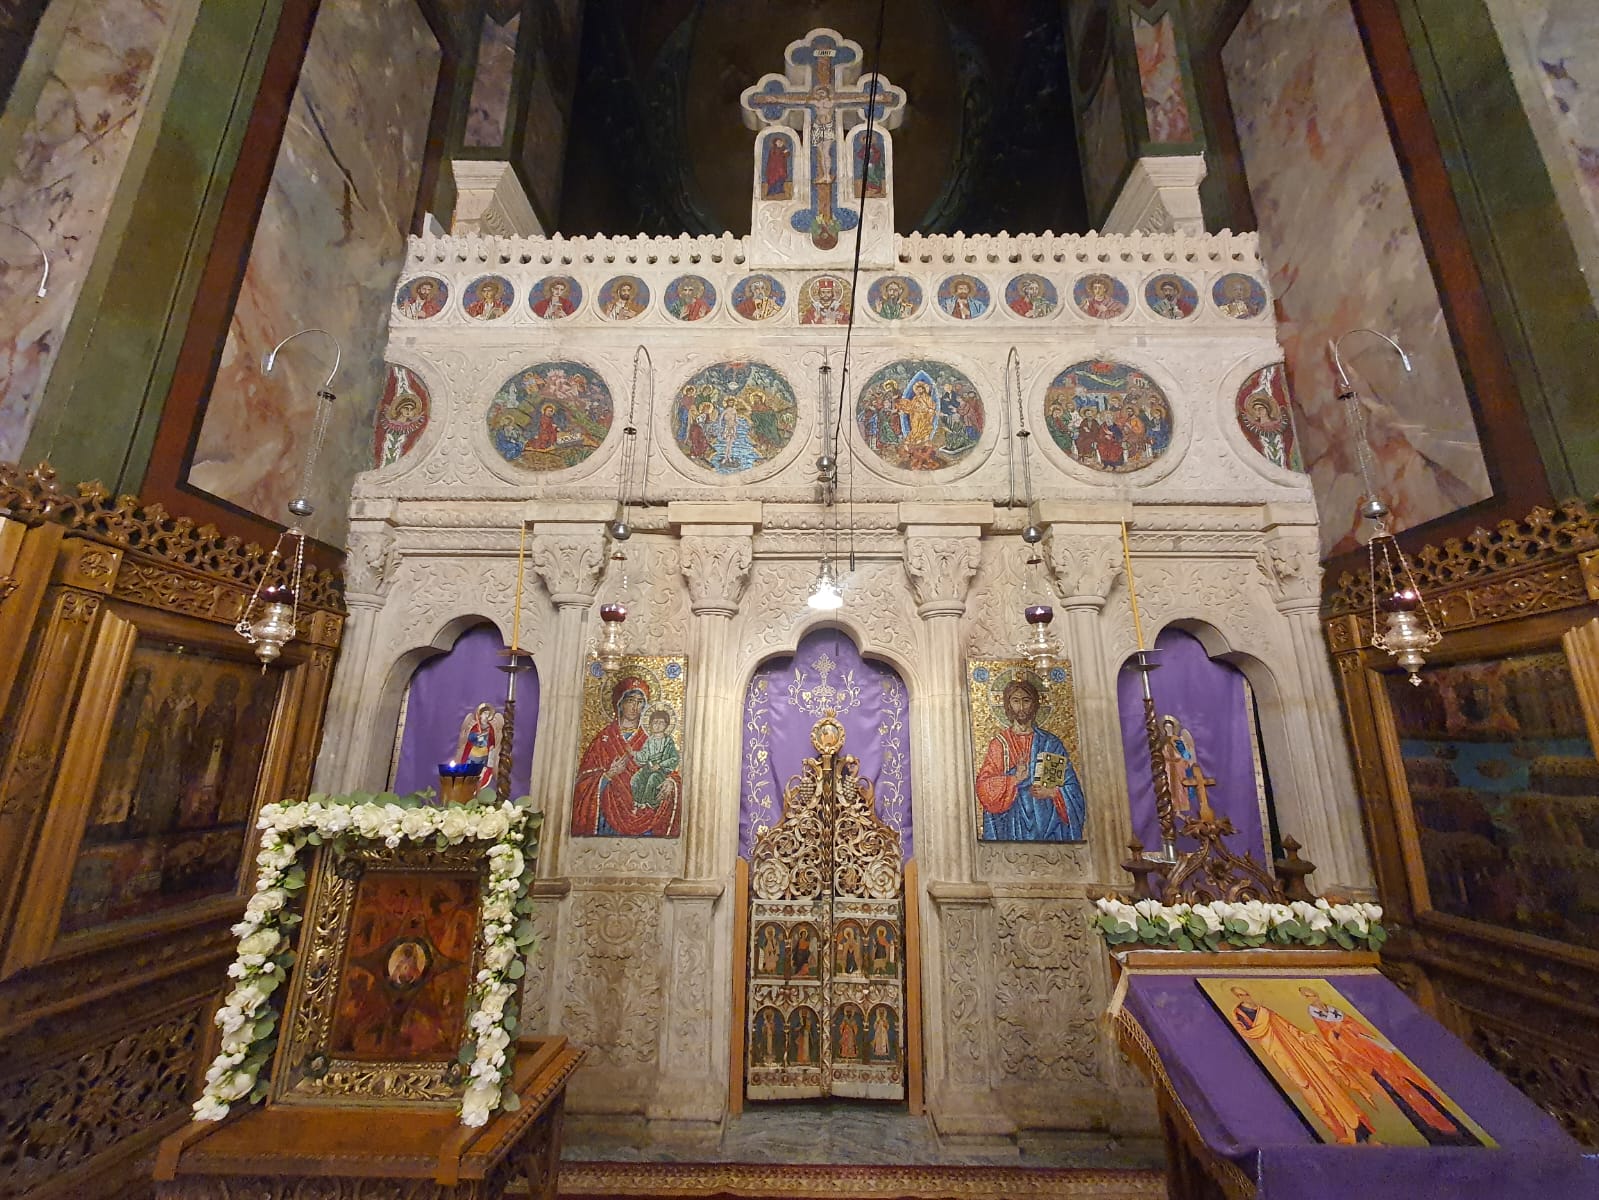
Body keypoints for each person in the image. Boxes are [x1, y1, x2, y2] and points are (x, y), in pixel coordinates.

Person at [1300, 987, 1480, 1144]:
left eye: (1312, 994)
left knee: (1417, 1087)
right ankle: (1437, 1131)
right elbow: (1334, 1042)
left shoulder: (1335, 1011)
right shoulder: (1320, 1020)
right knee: (1404, 1096)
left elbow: (1360, 1028)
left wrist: (1354, 1032)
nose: (1313, 998)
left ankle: (1453, 1126)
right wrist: (1341, 1032)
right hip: (1370, 1062)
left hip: (1381, 1055)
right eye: (1308, 996)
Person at [1227, 985, 1377, 1144]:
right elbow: (1247, 1033)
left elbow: (1290, 1029)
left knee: (1328, 1086)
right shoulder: (1240, 1015)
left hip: (1302, 1056)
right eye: (1240, 995)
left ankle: (1357, 1128)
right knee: (1312, 1095)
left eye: (1245, 993)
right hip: (1282, 1058)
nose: (1245, 997)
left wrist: (1306, 1038)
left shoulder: (1266, 1011)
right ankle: (1340, 1131)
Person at [975, 677, 1087, 840]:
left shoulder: (1050, 743)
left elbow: (1072, 789)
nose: (1021, 707)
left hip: (1048, 825)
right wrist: (1014, 779)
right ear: (1008, 705)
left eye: (1026, 701)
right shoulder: (1000, 745)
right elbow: (984, 788)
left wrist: (1053, 793)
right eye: (1015, 701)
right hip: (1012, 825)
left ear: (1034, 704)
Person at [571, 676, 680, 837]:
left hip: (647, 815)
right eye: (630, 700)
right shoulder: (603, 738)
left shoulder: (653, 738)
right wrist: (607, 775)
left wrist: (671, 782)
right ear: (619, 703)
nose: (635, 706)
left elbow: (671, 769)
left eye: (640, 701)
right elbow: (582, 783)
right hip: (608, 814)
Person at [1159, 714, 1213, 821]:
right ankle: (1170, 810)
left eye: (1170, 727)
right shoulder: (1162, 741)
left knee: (1180, 788)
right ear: (1164, 729)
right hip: (1167, 768)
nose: (1168, 729)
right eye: (1166, 727)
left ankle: (1179, 810)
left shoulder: (1177, 740)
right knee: (1169, 787)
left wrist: (1184, 759)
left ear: (1173, 728)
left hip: (1178, 767)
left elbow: (1185, 755)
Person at [630, 705, 680, 811]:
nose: (658, 725)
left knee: (653, 780)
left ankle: (649, 804)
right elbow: (644, 754)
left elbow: (674, 758)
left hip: (661, 771)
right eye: (655, 722)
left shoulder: (668, 741)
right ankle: (638, 802)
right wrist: (633, 753)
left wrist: (660, 765)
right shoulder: (649, 740)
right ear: (650, 724)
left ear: (666, 725)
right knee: (635, 779)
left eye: (661, 723)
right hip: (648, 768)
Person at [455, 702, 501, 794]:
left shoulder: (490, 728)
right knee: (469, 772)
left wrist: (490, 744)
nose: (486, 716)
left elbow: (492, 741)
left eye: (488, 714)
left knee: (481, 774)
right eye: (484, 713)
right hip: (473, 753)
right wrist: (476, 737)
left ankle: (478, 790)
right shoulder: (475, 726)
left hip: (484, 754)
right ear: (480, 715)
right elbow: (469, 739)